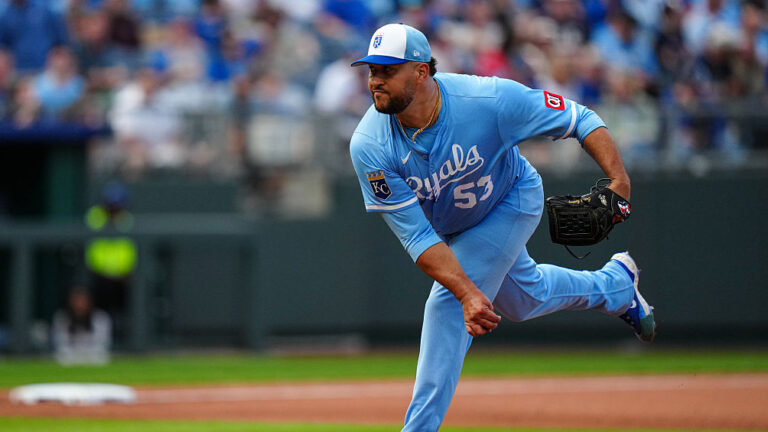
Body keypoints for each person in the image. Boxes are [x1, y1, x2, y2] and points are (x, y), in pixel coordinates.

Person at [348, 23, 656, 432]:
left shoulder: (486, 99)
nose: (375, 81)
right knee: (527, 299)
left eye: (388, 70)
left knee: (445, 305)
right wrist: (469, 291)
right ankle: (616, 286)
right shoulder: (370, 144)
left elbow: (579, 117)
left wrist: (620, 182)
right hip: (451, 230)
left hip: (511, 199)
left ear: (421, 72)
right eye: (372, 70)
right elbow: (419, 237)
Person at [52, 287, 112, 366]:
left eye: (83, 301)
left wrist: (85, 356)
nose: (79, 305)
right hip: (69, 358)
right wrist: (76, 356)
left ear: (89, 302)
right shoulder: (62, 318)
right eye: (76, 301)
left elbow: (101, 344)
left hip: (94, 358)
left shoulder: (101, 318)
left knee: (102, 359)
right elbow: (61, 345)